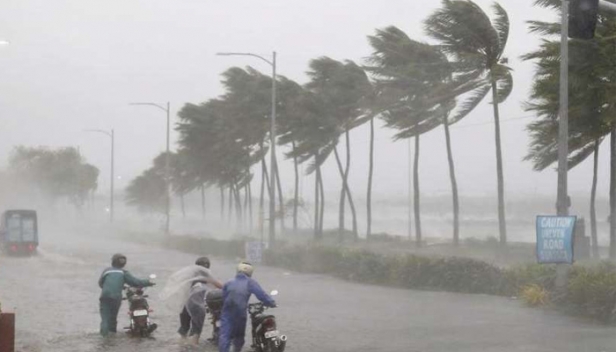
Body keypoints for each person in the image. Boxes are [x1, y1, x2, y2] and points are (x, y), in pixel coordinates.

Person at [218, 262, 276, 352]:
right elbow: (262, 295)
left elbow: (224, 297)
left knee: (225, 335)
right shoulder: (250, 282)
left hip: (227, 311)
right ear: (250, 272)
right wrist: (271, 303)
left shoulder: (228, 282)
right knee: (239, 336)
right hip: (240, 312)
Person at [98, 253, 154, 336]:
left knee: (105, 319)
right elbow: (135, 282)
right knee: (113, 318)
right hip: (116, 297)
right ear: (123, 263)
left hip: (105, 296)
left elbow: (100, 283)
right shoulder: (123, 272)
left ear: (113, 261)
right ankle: (112, 336)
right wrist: (148, 282)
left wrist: (112, 287)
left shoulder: (107, 271)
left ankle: (103, 337)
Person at [178, 256, 224, 344]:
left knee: (183, 331)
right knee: (196, 332)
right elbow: (220, 286)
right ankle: (193, 347)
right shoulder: (206, 275)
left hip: (184, 305)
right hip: (197, 306)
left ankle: (180, 347)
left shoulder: (190, 276)